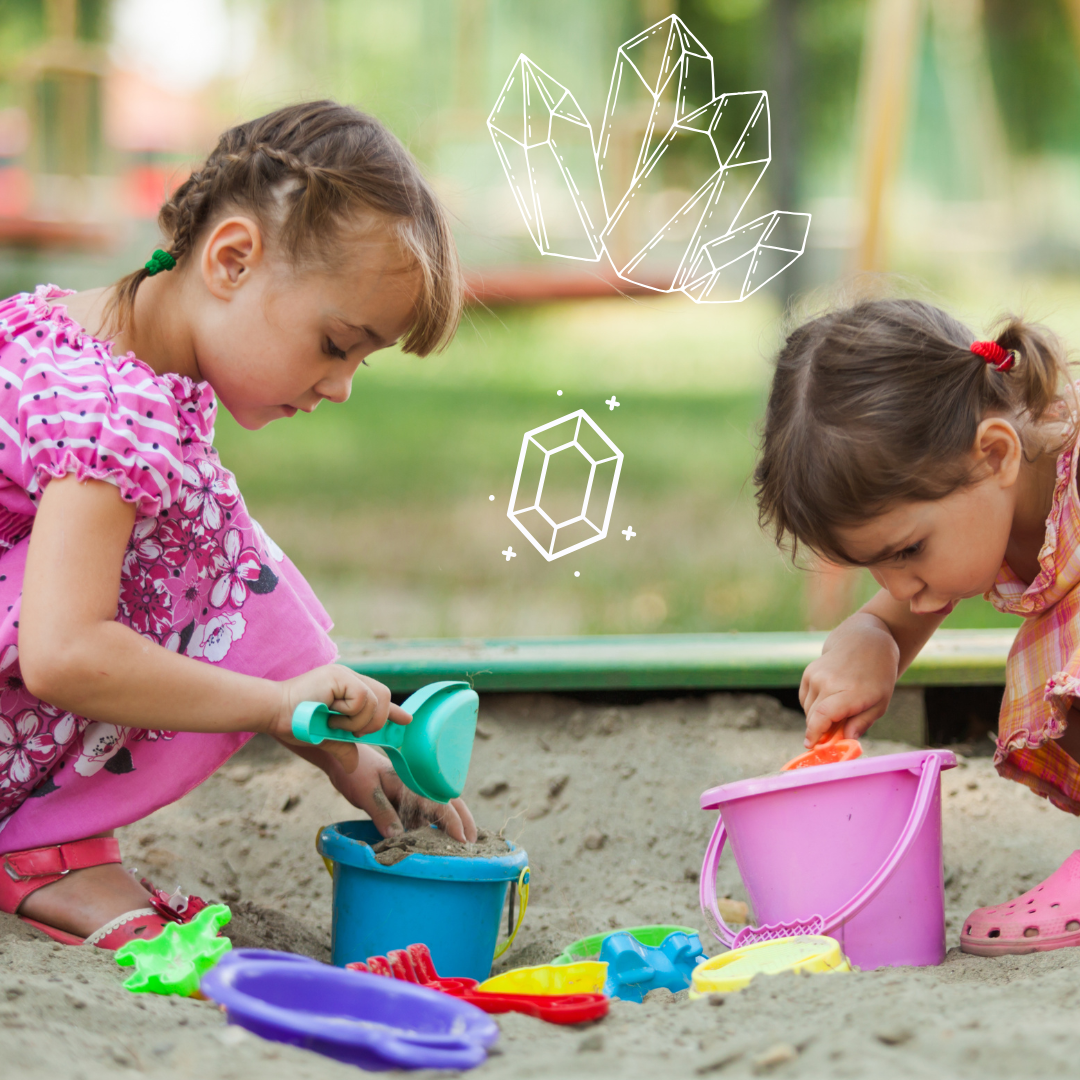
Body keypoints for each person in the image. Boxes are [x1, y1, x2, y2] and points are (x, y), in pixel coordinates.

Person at [0, 101, 476, 950]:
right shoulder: (112, 414)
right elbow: (65, 652)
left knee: (190, 528)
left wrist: (338, 745)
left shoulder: (97, 342)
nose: (341, 386)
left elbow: (215, 537)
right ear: (231, 259)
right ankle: (44, 850)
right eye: (336, 344)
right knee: (163, 566)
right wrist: (275, 704)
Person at [754, 295, 1080, 956]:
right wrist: (872, 639)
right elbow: (904, 602)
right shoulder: (979, 495)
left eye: (905, 553)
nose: (902, 588)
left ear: (995, 455)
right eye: (874, 568)